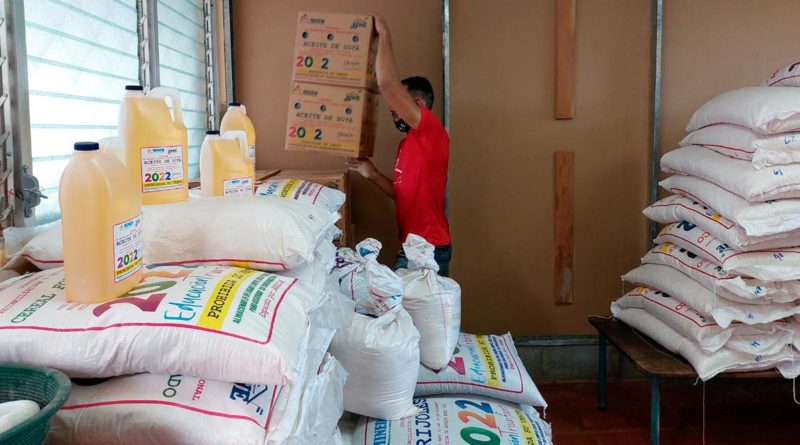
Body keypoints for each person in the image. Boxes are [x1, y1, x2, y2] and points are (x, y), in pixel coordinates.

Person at [346, 14, 452, 276]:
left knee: (406, 313)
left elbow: (388, 85)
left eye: (397, 105)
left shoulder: (431, 132)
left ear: (418, 105)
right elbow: (403, 195)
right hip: (412, 246)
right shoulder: (407, 146)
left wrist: (384, 35)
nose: (392, 110)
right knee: (407, 314)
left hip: (429, 249)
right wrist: (371, 175)